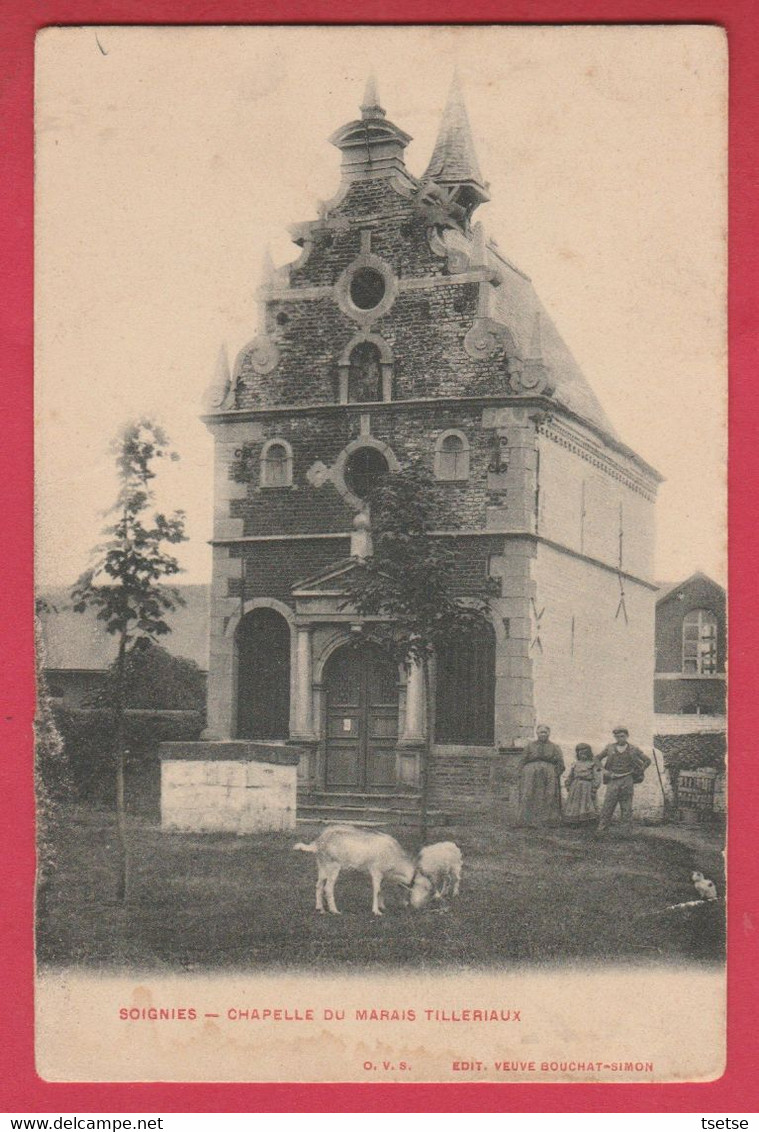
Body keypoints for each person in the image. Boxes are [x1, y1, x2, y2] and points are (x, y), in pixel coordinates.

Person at [596, 726, 651, 835]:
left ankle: (626, 832)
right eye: (617, 737)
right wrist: (603, 770)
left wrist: (639, 771)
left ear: (627, 736)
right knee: (608, 804)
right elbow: (597, 758)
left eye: (622, 736)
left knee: (626, 806)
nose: (620, 739)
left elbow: (647, 760)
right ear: (614, 737)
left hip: (627, 779)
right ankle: (602, 830)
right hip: (613, 779)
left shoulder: (634, 749)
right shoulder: (610, 748)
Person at [517, 725, 565, 827]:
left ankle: (548, 820)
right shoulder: (530, 746)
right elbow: (522, 760)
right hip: (531, 774)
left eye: (545, 732)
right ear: (537, 734)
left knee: (549, 795)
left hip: (549, 773)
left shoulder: (555, 747)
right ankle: (527, 820)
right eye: (540, 732)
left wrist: (555, 773)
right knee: (529, 794)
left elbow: (560, 763)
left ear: (549, 733)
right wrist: (521, 773)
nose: (543, 734)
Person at [563, 743, 602, 826]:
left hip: (587, 786)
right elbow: (571, 775)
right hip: (575, 786)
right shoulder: (575, 764)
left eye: (585, 753)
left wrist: (594, 787)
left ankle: (587, 821)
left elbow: (597, 776)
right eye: (580, 753)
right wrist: (568, 784)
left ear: (589, 754)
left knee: (587, 803)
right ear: (578, 754)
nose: (583, 755)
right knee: (575, 803)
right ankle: (574, 821)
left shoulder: (592, 764)